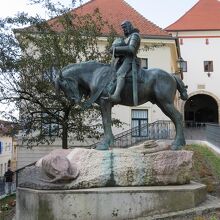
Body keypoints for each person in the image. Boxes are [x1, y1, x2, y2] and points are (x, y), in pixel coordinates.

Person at [109, 20, 141, 103]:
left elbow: (131, 49)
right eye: (123, 29)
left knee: (120, 73)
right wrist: (115, 52)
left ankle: (116, 95)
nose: (124, 30)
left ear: (130, 26)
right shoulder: (126, 39)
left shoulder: (135, 36)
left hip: (131, 60)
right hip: (122, 60)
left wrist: (116, 49)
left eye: (125, 27)